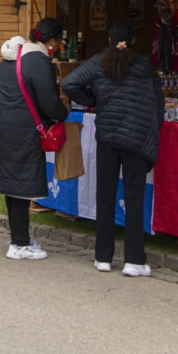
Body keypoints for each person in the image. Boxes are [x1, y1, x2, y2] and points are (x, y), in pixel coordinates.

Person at [62, 20, 163, 277]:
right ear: (133, 42)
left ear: (109, 40)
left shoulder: (99, 62)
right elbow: (158, 104)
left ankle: (103, 257)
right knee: (134, 199)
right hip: (137, 142)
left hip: (107, 138)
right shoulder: (144, 66)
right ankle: (134, 261)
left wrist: (95, 101)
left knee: (104, 196)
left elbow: (69, 83)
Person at [0, 17, 69, 260]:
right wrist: (64, 111)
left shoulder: (12, 55)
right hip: (23, 132)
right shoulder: (38, 61)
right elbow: (49, 103)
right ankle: (19, 244)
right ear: (52, 40)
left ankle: (19, 238)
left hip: (3, 129)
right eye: (59, 42)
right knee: (20, 188)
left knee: (13, 188)